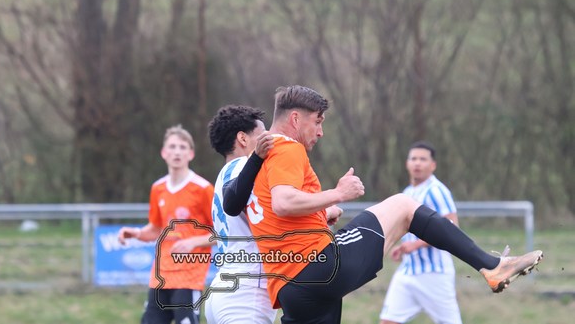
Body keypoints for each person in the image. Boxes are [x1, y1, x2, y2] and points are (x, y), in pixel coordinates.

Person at [225, 85, 543, 324]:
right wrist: (338, 193)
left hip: (290, 290)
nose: (320, 132)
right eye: (317, 122)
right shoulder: (287, 148)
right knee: (404, 206)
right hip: (317, 266)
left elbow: (262, 209)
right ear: (295, 118)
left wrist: (322, 212)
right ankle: (491, 265)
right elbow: (283, 203)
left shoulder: (257, 161)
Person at [118, 125, 215, 324]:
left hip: (189, 276)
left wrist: (193, 242)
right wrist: (136, 233)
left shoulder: (203, 189)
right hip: (161, 275)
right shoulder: (158, 188)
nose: (177, 152)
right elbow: (156, 228)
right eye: (172, 146)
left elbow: (222, 232)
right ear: (164, 153)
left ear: (191, 154)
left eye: (182, 147)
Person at [204, 104, 278, 324]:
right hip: (245, 295)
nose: (269, 139)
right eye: (262, 134)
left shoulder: (225, 174)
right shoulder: (245, 168)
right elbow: (278, 211)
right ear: (243, 139)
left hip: (226, 288)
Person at [379, 141, 462, 324]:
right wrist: (402, 247)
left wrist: (416, 245)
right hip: (408, 271)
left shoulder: (436, 191)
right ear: (407, 163)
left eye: (423, 159)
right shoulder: (408, 192)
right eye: (413, 158)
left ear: (433, 165)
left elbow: (452, 227)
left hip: (434, 273)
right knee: (388, 321)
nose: (417, 163)